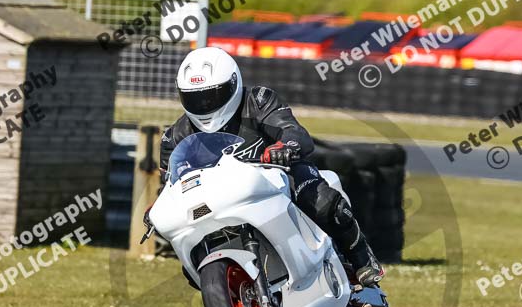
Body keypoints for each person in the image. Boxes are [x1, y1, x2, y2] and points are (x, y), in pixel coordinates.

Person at [161, 46, 384, 287]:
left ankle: (362, 258)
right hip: (219, 199)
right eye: (195, 99)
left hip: (277, 177)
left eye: (211, 96)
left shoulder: (258, 101)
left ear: (233, 84)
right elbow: (171, 182)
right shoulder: (175, 136)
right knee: (190, 258)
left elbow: (294, 131)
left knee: (323, 202)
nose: (204, 106)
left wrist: (284, 146)